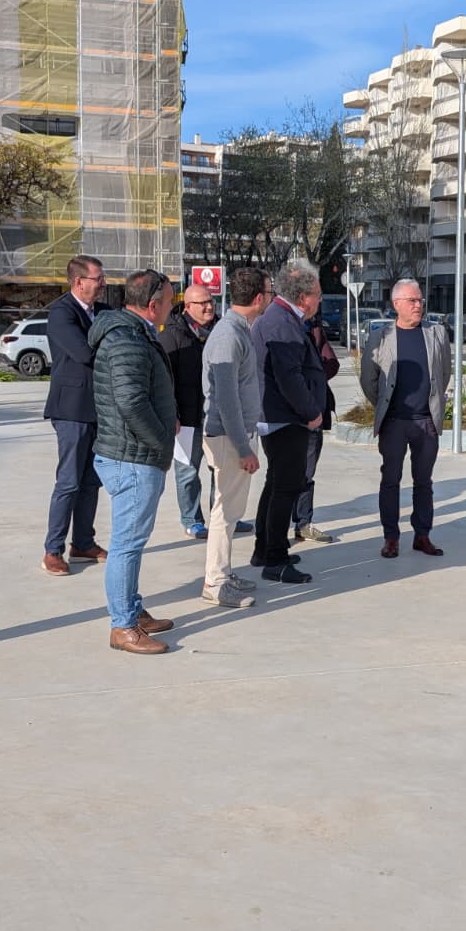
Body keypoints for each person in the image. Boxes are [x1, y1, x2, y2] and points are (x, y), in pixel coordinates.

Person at [89, 269, 179, 653]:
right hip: (133, 457)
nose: (172, 307)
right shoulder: (126, 339)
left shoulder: (133, 333)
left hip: (132, 453)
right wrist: (161, 440)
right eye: (170, 301)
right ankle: (123, 626)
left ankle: (132, 610)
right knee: (126, 544)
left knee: (133, 542)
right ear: (153, 304)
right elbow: (131, 402)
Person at [360, 277, 452, 559]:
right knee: (391, 480)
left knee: (424, 482)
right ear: (396, 304)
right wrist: (385, 407)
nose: (418, 305)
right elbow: (369, 379)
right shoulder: (381, 336)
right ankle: (391, 538)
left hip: (426, 421)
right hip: (394, 423)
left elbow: (444, 372)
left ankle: (422, 535)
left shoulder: (436, 333)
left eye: (420, 300)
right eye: (412, 300)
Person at [250, 258, 328, 585]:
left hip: (278, 417)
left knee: (275, 484)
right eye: (318, 295)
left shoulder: (282, 316)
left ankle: (264, 548)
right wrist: (311, 412)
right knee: (285, 488)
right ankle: (276, 560)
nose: (319, 300)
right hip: (285, 418)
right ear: (303, 297)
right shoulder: (282, 322)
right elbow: (289, 377)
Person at [199, 268, 270, 608]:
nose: (270, 298)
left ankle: (223, 573)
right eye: (269, 293)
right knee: (225, 511)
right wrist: (244, 448)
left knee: (229, 510)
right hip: (229, 437)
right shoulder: (229, 335)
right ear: (258, 298)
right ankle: (215, 582)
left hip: (237, 435)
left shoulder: (238, 329)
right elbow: (226, 400)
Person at [41, 255, 109, 576]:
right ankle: (52, 550)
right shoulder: (61, 313)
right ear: (79, 282)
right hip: (71, 409)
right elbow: (83, 353)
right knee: (69, 481)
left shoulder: (102, 311)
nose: (103, 284)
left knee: (91, 481)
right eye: (98, 279)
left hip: (98, 408)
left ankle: (83, 542)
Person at [161, 282, 217, 539]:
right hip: (186, 417)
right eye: (202, 303)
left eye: (210, 301)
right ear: (187, 306)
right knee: (187, 470)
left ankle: (222, 516)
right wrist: (172, 413)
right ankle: (192, 519)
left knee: (221, 469)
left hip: (215, 414)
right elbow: (165, 379)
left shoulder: (219, 330)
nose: (209, 307)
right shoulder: (172, 335)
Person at [291, 306, 340, 545]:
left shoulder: (314, 327)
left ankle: (303, 523)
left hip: (315, 411)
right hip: (287, 415)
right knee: (283, 474)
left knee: (307, 472)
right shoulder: (281, 325)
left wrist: (313, 378)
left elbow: (332, 363)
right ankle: (274, 530)